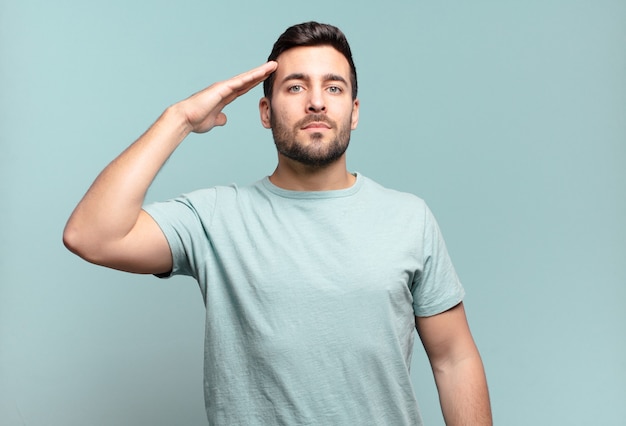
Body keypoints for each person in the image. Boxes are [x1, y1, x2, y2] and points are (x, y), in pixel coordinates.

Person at [63, 21, 492, 425]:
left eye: (333, 87)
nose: (317, 101)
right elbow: (91, 235)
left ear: (354, 111)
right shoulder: (215, 219)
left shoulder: (408, 218)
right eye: (296, 86)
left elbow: (454, 359)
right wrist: (179, 120)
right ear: (265, 111)